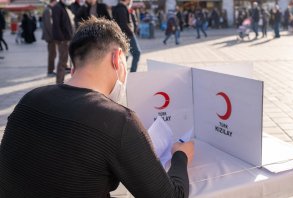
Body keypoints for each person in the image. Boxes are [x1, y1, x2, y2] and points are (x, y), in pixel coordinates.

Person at [0, 17, 194, 197]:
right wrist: (180, 155)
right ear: (117, 58)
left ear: (74, 64)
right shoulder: (117, 120)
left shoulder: (29, 100)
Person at [112, 0, 141, 72]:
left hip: (122, 35)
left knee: (125, 55)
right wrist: (131, 33)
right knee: (137, 53)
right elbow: (123, 24)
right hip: (127, 35)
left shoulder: (118, 7)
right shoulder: (121, 8)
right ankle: (132, 72)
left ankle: (121, 73)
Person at [52, 0, 75, 84]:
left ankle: (61, 81)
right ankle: (59, 82)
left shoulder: (64, 7)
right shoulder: (57, 7)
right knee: (62, 61)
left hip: (67, 39)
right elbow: (56, 25)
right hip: (63, 40)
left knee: (64, 61)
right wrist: (61, 39)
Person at [42, 0, 58, 77]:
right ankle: (50, 71)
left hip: (51, 36)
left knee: (53, 54)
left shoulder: (49, 9)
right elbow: (49, 25)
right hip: (51, 37)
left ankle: (51, 70)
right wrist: (53, 36)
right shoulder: (48, 10)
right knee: (52, 54)